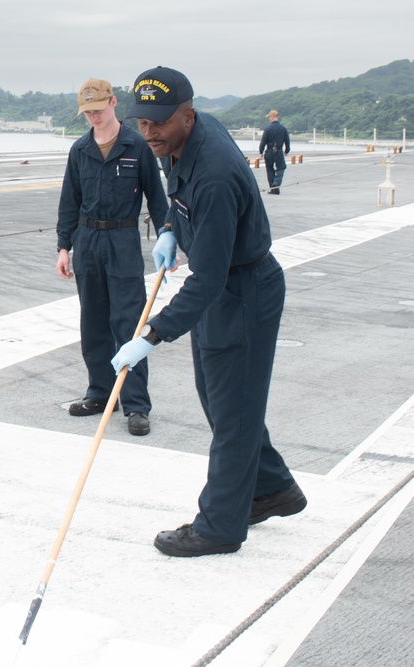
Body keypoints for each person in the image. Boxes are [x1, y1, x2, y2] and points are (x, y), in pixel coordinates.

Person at [115, 66, 306, 557]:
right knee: (221, 399)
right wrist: (172, 228)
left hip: (243, 291)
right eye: (143, 122)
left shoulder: (217, 173)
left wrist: (152, 335)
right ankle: (271, 488)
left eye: (161, 122)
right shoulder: (181, 138)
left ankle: (220, 525)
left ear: (189, 115)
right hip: (225, 290)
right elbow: (181, 195)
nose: (150, 132)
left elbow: (210, 277)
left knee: (234, 411)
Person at [56, 78, 169, 436]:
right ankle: (101, 393)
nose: (93, 117)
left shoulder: (137, 145)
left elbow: (157, 197)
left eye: (98, 110)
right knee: (93, 323)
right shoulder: (80, 150)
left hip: (122, 240)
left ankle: (136, 404)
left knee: (128, 324)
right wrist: (64, 247)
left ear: (114, 103)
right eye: (87, 112)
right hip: (87, 240)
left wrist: (169, 236)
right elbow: (69, 202)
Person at [259, 109, 291, 194]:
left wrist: (261, 152)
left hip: (269, 151)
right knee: (281, 168)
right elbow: (287, 141)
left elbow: (263, 141)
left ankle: (273, 188)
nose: (269, 118)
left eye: (269, 117)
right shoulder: (283, 129)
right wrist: (287, 150)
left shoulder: (267, 128)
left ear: (272, 117)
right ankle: (276, 184)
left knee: (269, 170)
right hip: (279, 151)